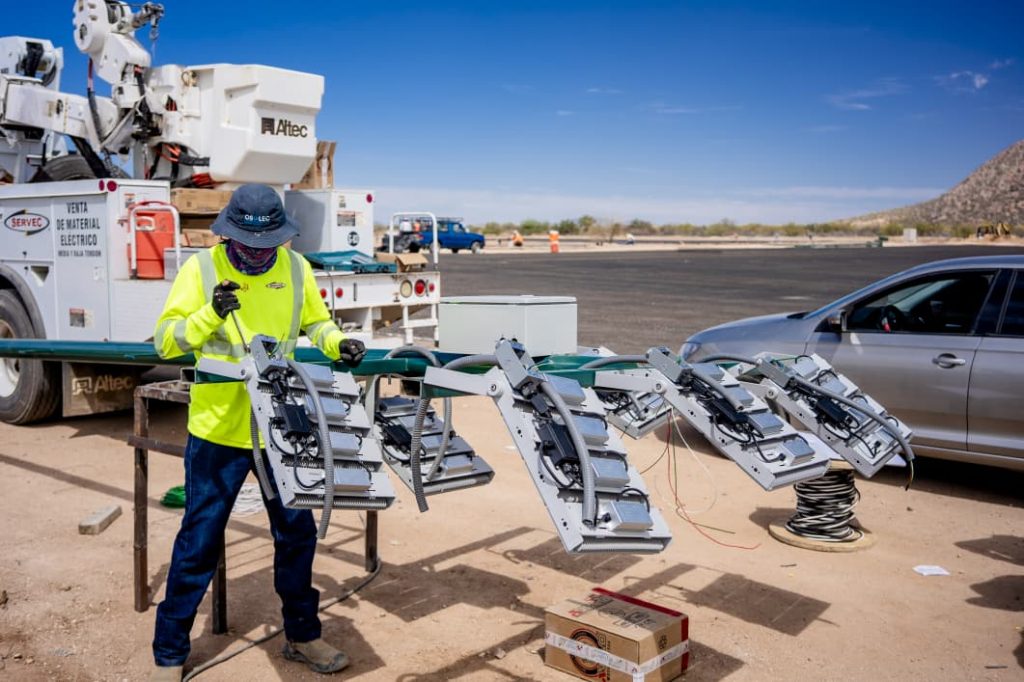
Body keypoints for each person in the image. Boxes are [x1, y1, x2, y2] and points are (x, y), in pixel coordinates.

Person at [150, 184, 366, 681]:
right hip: (218, 431)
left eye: (267, 245)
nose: (256, 254)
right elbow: (165, 342)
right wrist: (210, 313)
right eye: (248, 246)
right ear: (228, 234)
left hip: (280, 428)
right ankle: (169, 653)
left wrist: (339, 343)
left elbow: (316, 324)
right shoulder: (201, 270)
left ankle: (302, 636)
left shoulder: (296, 269)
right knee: (199, 540)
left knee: (296, 535)